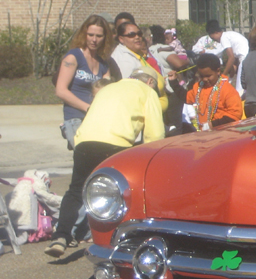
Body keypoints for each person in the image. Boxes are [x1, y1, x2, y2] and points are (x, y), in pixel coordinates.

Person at [45, 68, 165, 257]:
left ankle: (60, 236)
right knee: (121, 193)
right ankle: (118, 240)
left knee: (76, 190)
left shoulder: (108, 88)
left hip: (84, 141)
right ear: (150, 82)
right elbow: (155, 134)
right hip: (115, 144)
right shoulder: (148, 91)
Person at [54, 15, 115, 150]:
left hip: (96, 118)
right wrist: (88, 108)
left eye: (99, 36)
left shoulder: (103, 63)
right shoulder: (74, 56)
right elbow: (61, 90)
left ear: (105, 37)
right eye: (90, 35)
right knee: (84, 156)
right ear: (84, 34)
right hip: (75, 118)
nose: (94, 40)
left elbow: (108, 91)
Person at [183, 53, 243, 130]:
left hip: (223, 133)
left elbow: (235, 116)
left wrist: (213, 124)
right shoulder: (199, 87)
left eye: (208, 76)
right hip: (205, 133)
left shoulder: (228, 90)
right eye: (202, 76)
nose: (204, 79)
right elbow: (187, 98)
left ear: (218, 71)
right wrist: (174, 82)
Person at [205, 20, 249, 97]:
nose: (215, 41)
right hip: (247, 59)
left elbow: (231, 58)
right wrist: (230, 79)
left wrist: (223, 75)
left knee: (239, 92)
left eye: (213, 38)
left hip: (244, 61)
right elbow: (234, 64)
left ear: (216, 32)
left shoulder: (223, 38)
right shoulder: (229, 35)